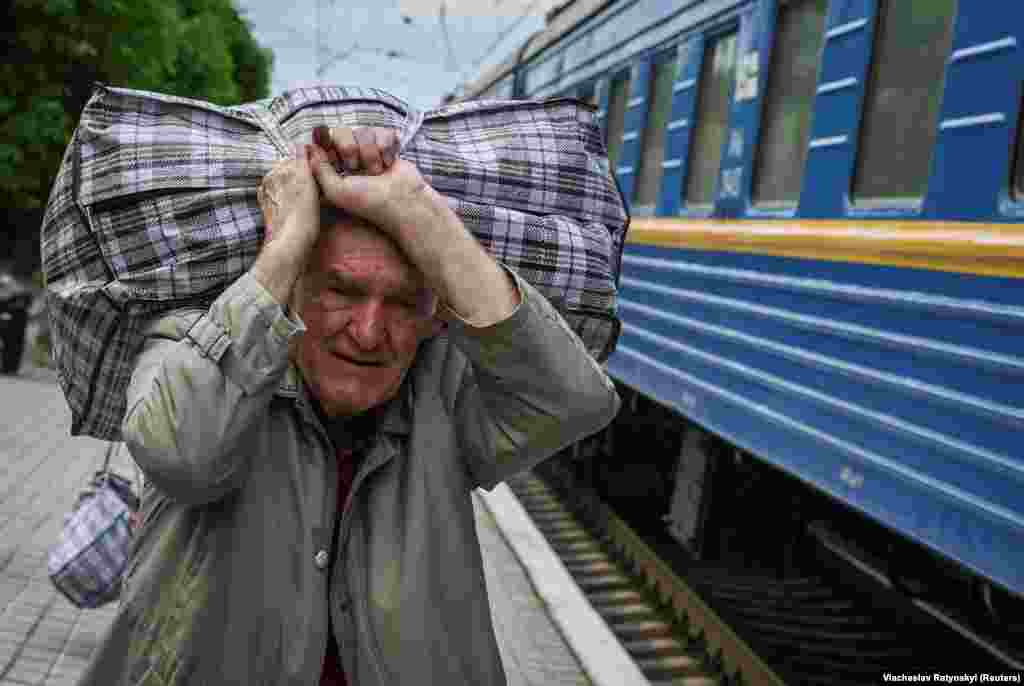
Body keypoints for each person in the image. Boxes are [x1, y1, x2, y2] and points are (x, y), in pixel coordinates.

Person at [76, 125, 620, 686]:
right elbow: (181, 455)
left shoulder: (444, 392)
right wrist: (287, 241)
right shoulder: (191, 346)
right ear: (293, 285)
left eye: (403, 302)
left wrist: (418, 211)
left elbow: (575, 401)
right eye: (342, 290)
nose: (367, 332)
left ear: (435, 316)